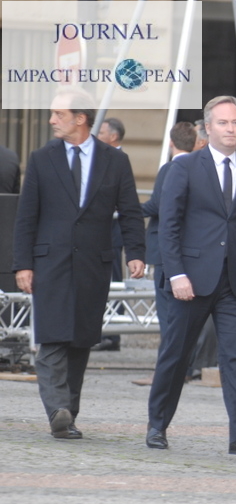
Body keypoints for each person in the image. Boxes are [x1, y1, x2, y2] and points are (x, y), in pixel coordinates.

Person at [12, 86, 146, 439]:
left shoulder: (115, 160)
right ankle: (57, 408)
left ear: (81, 118)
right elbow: (26, 216)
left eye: (59, 114)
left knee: (80, 340)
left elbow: (130, 211)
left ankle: (68, 413)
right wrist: (22, 264)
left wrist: (136, 252)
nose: (52, 120)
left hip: (93, 264)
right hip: (49, 263)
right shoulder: (41, 158)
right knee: (52, 336)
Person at [146, 96, 236, 456]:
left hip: (235, 282)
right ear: (207, 128)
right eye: (223, 123)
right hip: (191, 280)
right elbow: (168, 226)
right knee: (176, 353)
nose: (231, 129)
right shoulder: (184, 167)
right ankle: (157, 425)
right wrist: (177, 274)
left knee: (235, 358)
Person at [134, 122, 218, 387]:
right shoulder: (200, 169)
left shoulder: (171, 168)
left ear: (171, 143)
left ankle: (168, 371)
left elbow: (158, 205)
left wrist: (130, 210)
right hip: (189, 252)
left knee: (169, 318)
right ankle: (185, 367)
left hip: (166, 253)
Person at [93, 117, 127, 352]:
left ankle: (113, 334)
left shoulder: (119, 161)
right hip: (102, 234)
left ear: (113, 136)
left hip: (113, 234)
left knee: (114, 283)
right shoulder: (101, 158)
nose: (97, 136)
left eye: (101, 132)